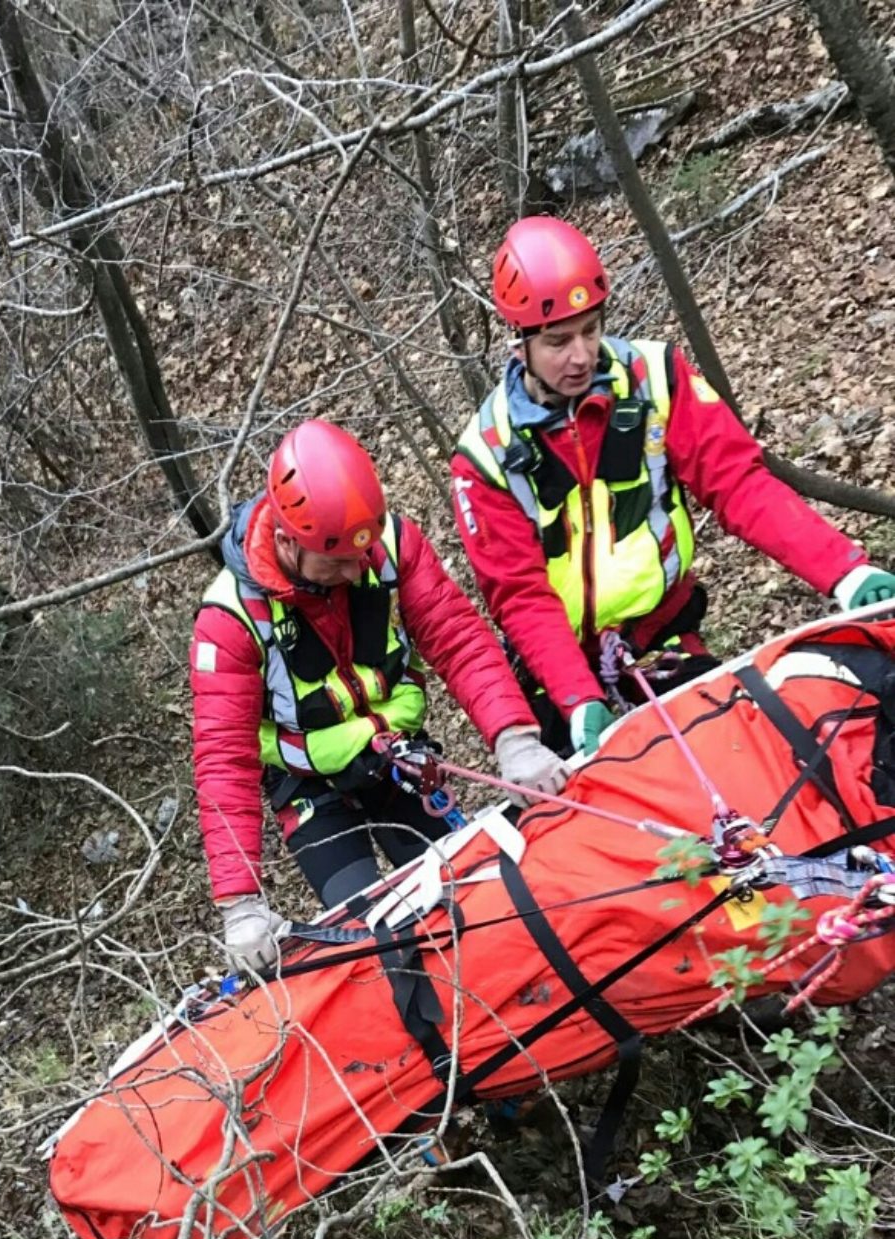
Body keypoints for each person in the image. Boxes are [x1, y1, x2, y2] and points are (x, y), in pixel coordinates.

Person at [451, 215, 895, 756]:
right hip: (557, 667)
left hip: (660, 639)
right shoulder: (487, 453)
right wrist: (576, 695)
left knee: (728, 774)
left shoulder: (656, 378)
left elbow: (737, 485)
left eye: (591, 330)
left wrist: (843, 569)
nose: (581, 356)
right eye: (558, 340)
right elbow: (520, 593)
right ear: (518, 344)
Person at [191, 418, 568, 970]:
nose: (356, 568)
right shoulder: (230, 619)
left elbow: (457, 639)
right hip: (310, 786)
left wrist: (516, 740)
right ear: (285, 542)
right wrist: (240, 903)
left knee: (466, 904)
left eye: (360, 551)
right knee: (384, 938)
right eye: (337, 559)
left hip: (398, 756)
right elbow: (224, 760)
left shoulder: (386, 547)